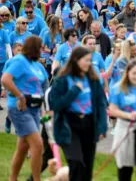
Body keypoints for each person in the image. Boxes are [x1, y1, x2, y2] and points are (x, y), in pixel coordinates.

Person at [49, 46, 107, 181]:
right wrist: (74, 91)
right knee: (76, 162)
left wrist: (102, 126)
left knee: (87, 167)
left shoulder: (92, 79)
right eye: (86, 60)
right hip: (69, 124)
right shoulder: (63, 79)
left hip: (88, 124)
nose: (89, 64)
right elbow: (56, 105)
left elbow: (101, 103)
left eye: (90, 61)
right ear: (75, 60)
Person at [1, 36, 48, 181]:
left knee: (23, 147)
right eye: (41, 47)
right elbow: (5, 79)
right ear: (34, 47)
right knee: (38, 144)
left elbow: (44, 86)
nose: (43, 50)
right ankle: (36, 179)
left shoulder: (38, 65)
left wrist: (44, 108)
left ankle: (12, 178)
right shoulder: (19, 61)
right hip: (20, 108)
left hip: (34, 109)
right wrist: (20, 96)